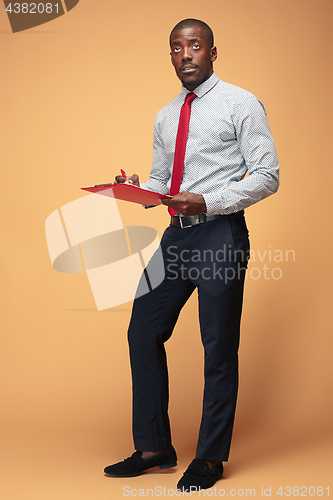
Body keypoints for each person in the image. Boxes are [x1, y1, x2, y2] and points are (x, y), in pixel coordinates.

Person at [104, 18, 279, 491]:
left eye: (195, 46)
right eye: (176, 48)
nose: (185, 55)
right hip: (176, 237)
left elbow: (267, 176)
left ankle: (209, 457)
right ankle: (155, 447)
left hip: (220, 232)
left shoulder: (241, 103)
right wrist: (140, 188)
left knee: (217, 345)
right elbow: (165, 180)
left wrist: (207, 201)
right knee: (142, 331)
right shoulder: (165, 115)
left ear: (212, 53)